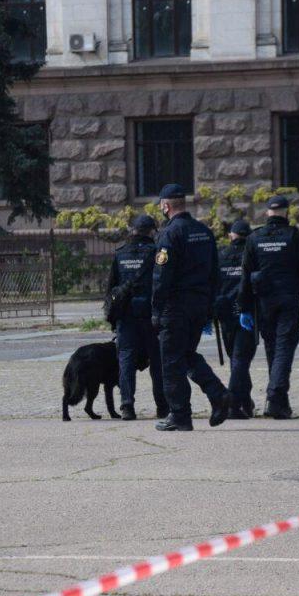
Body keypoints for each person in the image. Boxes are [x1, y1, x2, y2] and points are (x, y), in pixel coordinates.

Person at [238, 195, 299, 419]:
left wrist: (244, 307)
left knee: (273, 349)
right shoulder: (295, 237)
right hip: (288, 299)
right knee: (284, 349)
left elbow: (245, 275)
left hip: (264, 301)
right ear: (286, 213)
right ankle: (275, 397)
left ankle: (279, 401)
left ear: (267, 213)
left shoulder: (254, 238)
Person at [151, 183, 232, 431]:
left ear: (165, 206)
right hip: (199, 305)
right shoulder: (203, 231)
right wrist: (210, 304)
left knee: (172, 361)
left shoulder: (169, 234)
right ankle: (218, 394)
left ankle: (180, 415)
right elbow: (215, 272)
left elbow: (161, 276)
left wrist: (156, 309)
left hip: (175, 307)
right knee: (186, 354)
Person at [105, 214, 169, 420]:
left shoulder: (120, 253)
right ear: (151, 231)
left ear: (133, 231)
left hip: (125, 316)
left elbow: (110, 289)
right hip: (151, 316)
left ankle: (127, 406)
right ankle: (162, 406)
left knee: (126, 361)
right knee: (157, 362)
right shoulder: (157, 252)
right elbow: (163, 283)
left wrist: (113, 319)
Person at [214, 219, 257, 419]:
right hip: (246, 311)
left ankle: (245, 402)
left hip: (225, 314)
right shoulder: (252, 254)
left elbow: (211, 283)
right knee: (240, 360)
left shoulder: (220, 255)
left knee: (237, 360)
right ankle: (232, 404)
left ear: (231, 235)